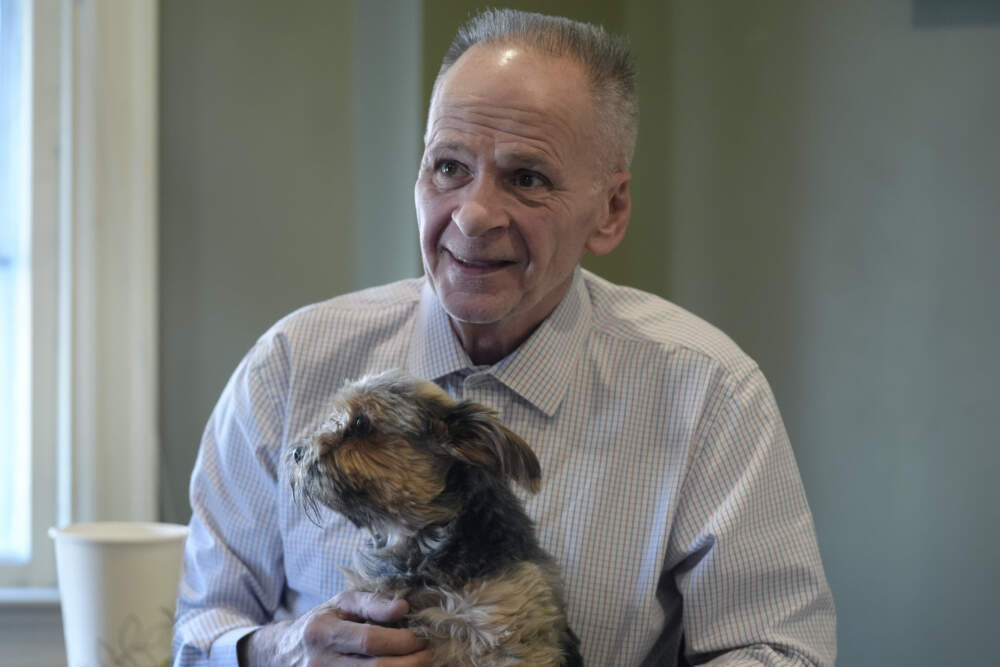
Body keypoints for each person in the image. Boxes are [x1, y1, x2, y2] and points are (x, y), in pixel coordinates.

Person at [173, 9, 836, 666]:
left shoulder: (709, 393)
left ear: (610, 211)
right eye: (448, 166)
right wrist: (279, 650)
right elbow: (198, 635)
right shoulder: (289, 366)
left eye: (526, 178)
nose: (473, 214)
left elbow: (781, 653)